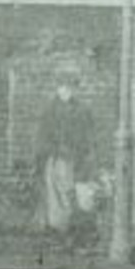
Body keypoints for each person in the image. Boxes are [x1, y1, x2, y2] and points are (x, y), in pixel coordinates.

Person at [35, 72, 97, 249]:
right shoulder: (50, 110)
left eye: (70, 87)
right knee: (56, 199)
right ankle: (59, 236)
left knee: (78, 198)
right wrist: (53, 151)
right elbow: (43, 136)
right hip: (56, 160)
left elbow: (90, 137)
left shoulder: (83, 110)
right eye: (63, 87)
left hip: (78, 160)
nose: (66, 91)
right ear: (57, 88)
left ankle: (80, 238)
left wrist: (89, 157)